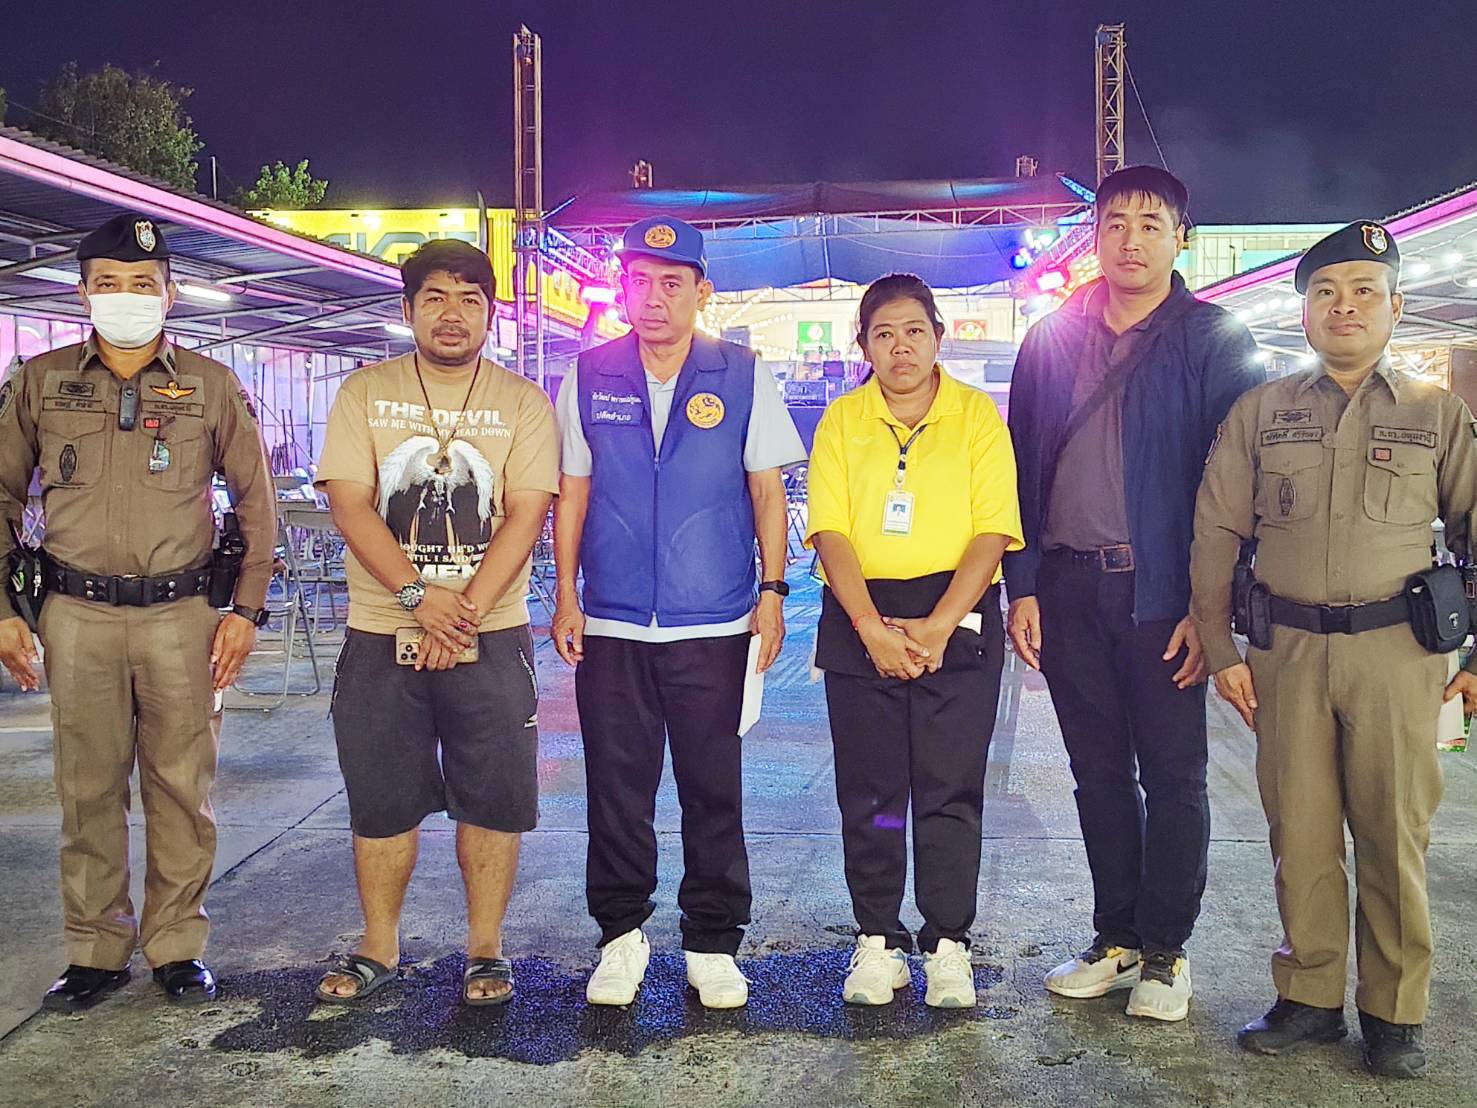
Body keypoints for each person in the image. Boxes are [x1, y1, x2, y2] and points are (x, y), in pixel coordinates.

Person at [1191, 220, 1477, 1078]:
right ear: (1303, 311)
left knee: (1393, 833)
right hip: (1285, 654)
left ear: (1395, 306)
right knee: (1301, 833)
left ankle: (1393, 1012)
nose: (1342, 306)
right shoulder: (1260, 411)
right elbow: (1215, 529)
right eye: (1324, 292)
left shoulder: (1436, 413)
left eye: (1362, 292)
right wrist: (1219, 647)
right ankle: (1309, 997)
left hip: (1398, 656)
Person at [1004, 166, 1262, 1022]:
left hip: (1162, 597)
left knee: (1175, 775)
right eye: (1115, 223)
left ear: (1180, 239)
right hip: (1067, 589)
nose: (1131, 241)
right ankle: (1114, 938)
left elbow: (1239, 484)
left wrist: (1208, 606)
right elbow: (1019, 467)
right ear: (1095, 237)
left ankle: (1165, 951)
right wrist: (1022, 585)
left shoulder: (1212, 338)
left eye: (1151, 225)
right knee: (1097, 774)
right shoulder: (1049, 339)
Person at [0, 213, 276, 1010]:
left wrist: (246, 611)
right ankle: (95, 949)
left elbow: (256, 504)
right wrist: (6, 610)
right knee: (86, 787)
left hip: (181, 615)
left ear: (170, 293)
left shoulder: (211, 386)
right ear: (83, 292)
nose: (127, 296)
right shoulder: (40, 381)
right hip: (75, 613)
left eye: (143, 284)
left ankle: (177, 946)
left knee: (182, 787)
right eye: (110, 283)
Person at [552, 216, 805, 1009]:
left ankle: (712, 943)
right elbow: (572, 493)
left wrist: (772, 592)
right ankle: (620, 938)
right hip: (613, 623)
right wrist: (565, 595)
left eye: (671, 283)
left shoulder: (742, 374)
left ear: (701, 290)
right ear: (621, 289)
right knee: (615, 790)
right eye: (639, 282)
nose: (654, 298)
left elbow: (767, 491)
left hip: (714, 623)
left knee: (711, 789)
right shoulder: (587, 374)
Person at [313, 240, 558, 1007]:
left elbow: (526, 513)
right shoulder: (365, 391)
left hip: (493, 632)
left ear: (491, 313)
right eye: (435, 299)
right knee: (382, 796)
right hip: (381, 628)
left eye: (469, 300)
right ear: (408, 308)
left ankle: (485, 948)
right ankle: (377, 945)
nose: (452, 315)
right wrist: (418, 597)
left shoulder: (523, 401)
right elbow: (349, 501)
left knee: (494, 796)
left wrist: (465, 613)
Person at [806, 273, 1023, 1008]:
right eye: (883, 334)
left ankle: (947, 942)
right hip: (858, 615)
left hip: (955, 615)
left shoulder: (976, 417)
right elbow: (830, 529)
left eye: (913, 332)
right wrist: (870, 627)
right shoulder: (842, 420)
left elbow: (993, 528)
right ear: (862, 345)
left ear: (938, 338)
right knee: (871, 792)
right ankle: (878, 939)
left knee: (948, 787)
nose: (900, 348)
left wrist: (937, 626)